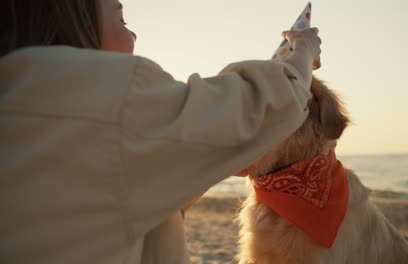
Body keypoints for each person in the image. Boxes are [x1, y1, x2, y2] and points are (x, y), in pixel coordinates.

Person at [0, 0, 322, 263]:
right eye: (121, 19)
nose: (133, 37)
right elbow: (268, 101)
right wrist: (303, 50)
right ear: (74, 22)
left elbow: (126, 202)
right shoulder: (113, 99)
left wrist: (210, 165)